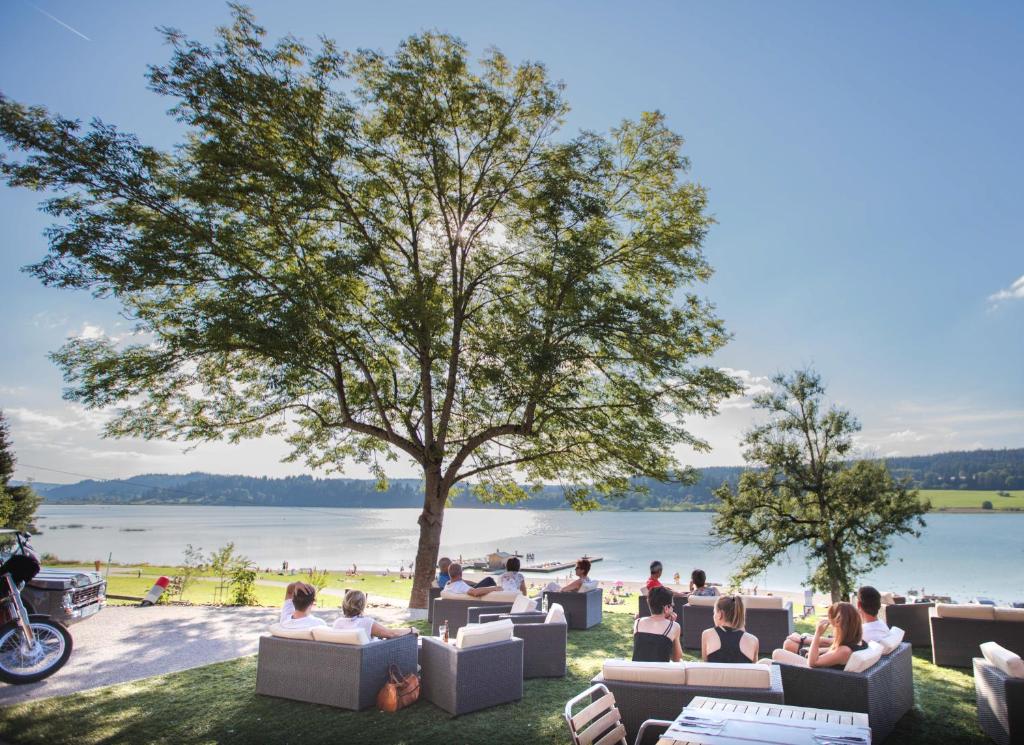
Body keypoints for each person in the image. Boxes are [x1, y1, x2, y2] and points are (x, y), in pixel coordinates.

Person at [784, 586, 890, 654]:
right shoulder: (882, 626)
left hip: (832, 660)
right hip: (842, 652)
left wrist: (803, 639)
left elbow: (835, 642)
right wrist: (805, 637)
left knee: (788, 643)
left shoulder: (864, 631)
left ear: (858, 604)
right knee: (800, 636)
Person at [807, 602, 868, 669]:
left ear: (839, 625)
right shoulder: (860, 642)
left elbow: (812, 663)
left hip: (816, 674)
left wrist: (817, 633)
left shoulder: (844, 651)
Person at [334, 590, 417, 639]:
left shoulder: (338, 623)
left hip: (343, 664)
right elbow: (392, 634)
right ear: (362, 605)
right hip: (368, 662)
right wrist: (411, 630)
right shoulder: (366, 623)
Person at [701, 595, 758, 663]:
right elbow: (753, 668)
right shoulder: (753, 640)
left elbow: (706, 662)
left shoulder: (707, 634)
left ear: (720, 614)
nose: (713, 616)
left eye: (714, 613)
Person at [632, 586, 682, 662]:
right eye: (672, 606)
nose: (673, 608)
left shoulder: (637, 623)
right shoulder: (674, 626)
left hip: (638, 670)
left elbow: (645, 652)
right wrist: (671, 623)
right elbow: (676, 658)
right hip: (660, 672)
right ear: (666, 608)